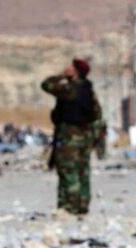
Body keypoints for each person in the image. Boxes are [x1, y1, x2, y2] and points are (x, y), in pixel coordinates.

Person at [41, 58, 105, 216]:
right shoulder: (88, 91)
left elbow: (46, 85)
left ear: (75, 72)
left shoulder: (69, 90)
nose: (67, 67)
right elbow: (97, 115)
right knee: (83, 171)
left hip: (69, 137)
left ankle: (69, 206)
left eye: (71, 67)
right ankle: (82, 205)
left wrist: (61, 75)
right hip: (86, 138)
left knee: (68, 171)